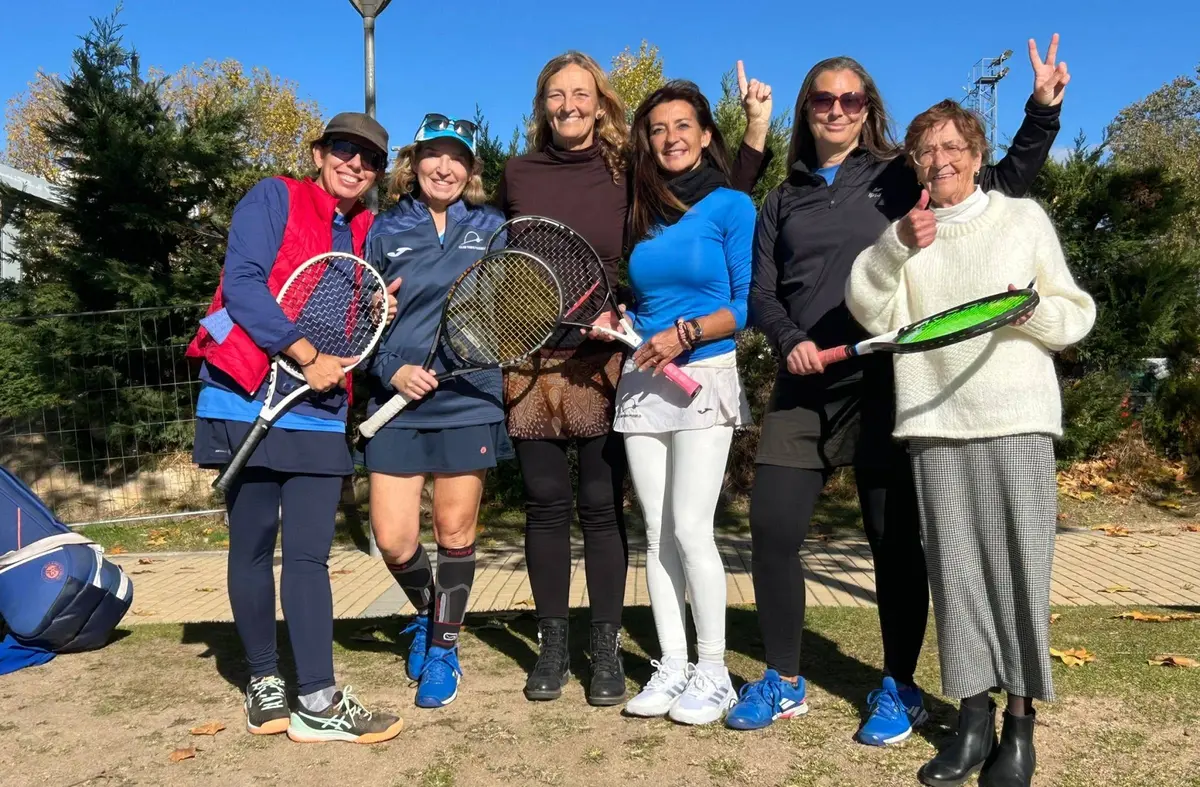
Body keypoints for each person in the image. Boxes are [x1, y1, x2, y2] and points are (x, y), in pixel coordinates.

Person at [728, 36, 1071, 744]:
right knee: (772, 528)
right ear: (807, 109)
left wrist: (1040, 113)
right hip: (803, 386)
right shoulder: (782, 198)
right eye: (823, 98)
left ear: (867, 110)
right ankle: (785, 679)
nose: (836, 109)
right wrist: (789, 340)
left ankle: (900, 685)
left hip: (884, 384)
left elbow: (994, 187)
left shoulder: (893, 177)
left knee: (895, 543)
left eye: (850, 98)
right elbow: (761, 291)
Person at [497, 52, 773, 706]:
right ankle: (570, 649)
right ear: (543, 104)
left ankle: (628, 654)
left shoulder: (628, 172)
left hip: (624, 362)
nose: (569, 103)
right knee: (569, 509)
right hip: (539, 359)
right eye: (557, 93)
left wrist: (756, 132)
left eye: (582, 92)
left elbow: (711, 199)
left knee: (622, 511)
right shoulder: (517, 171)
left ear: (601, 102)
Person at [846, 99, 1094, 787]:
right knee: (956, 580)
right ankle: (972, 718)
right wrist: (897, 245)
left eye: (954, 145)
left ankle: (1019, 725)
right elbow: (872, 309)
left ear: (978, 155)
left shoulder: (1021, 219)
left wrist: (1031, 309)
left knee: (1017, 573)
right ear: (916, 163)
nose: (941, 158)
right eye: (927, 149)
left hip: (1015, 420)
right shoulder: (907, 235)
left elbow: (1075, 311)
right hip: (933, 422)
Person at [187, 112, 405, 744]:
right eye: (344, 150)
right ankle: (264, 682)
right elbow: (243, 284)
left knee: (309, 556)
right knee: (251, 545)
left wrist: (374, 309)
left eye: (369, 160)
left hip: (317, 411)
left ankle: (317, 697)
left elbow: (345, 319)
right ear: (319, 153)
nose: (355, 165)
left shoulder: (365, 230)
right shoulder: (273, 196)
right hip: (246, 398)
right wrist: (305, 354)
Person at [591, 81, 754, 725]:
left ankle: (714, 672)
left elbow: (744, 307)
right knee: (655, 532)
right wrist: (628, 318)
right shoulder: (642, 212)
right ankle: (673, 665)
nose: (671, 138)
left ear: (707, 133)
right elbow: (646, 295)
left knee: (691, 527)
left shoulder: (731, 205)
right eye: (658, 129)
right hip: (643, 376)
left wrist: (686, 333)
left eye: (683, 125)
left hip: (704, 371)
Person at [361, 113, 511, 709]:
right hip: (395, 399)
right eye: (433, 156)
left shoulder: (492, 227)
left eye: (457, 158)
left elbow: (510, 307)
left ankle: (444, 647)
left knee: (455, 532)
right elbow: (362, 319)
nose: (444, 167)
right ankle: (432, 613)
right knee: (394, 540)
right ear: (413, 162)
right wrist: (390, 366)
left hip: (467, 397)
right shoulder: (382, 228)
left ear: (471, 169)